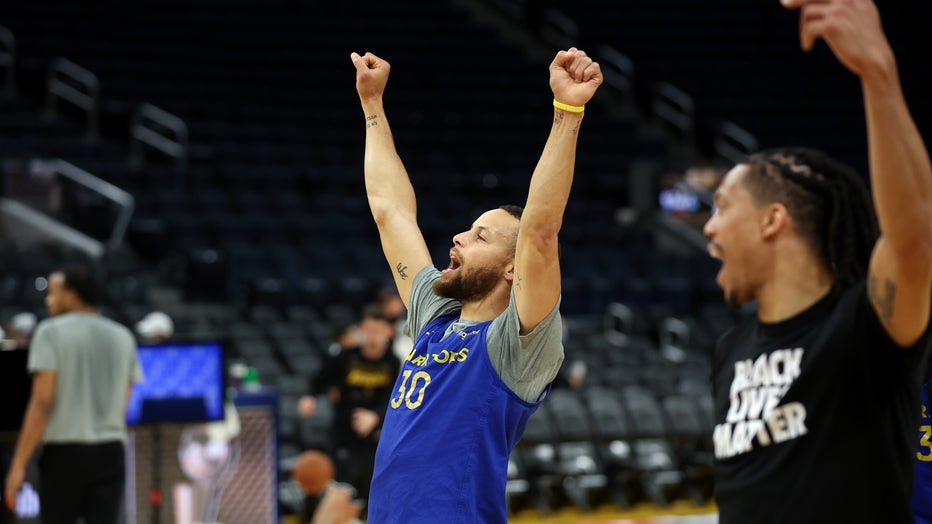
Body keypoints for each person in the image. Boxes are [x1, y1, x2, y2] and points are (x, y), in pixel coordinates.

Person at [350, 46, 601, 522]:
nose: (459, 237)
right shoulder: (435, 317)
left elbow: (541, 233)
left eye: (480, 235)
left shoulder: (516, 344)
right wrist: (372, 106)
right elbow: (390, 211)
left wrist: (567, 112)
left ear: (513, 267)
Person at [704, 1, 932, 522]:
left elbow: (914, 240)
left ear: (772, 220)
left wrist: (878, 72)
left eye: (723, 207)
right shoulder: (729, 348)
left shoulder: (866, 327)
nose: (710, 229)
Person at [3, 268, 143, 524]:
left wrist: (18, 464)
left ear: (72, 296)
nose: (48, 301)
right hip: (110, 451)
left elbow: (42, 402)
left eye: (53, 294)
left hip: (65, 453)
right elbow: (125, 400)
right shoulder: (123, 336)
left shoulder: (50, 332)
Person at [297, 304, 400, 514]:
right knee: (341, 489)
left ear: (388, 332)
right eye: (369, 330)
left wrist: (374, 417)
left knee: (371, 491)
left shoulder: (393, 362)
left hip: (375, 436)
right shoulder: (345, 357)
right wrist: (310, 397)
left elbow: (394, 400)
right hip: (343, 433)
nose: (373, 336)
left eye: (378, 330)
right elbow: (319, 379)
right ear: (361, 329)